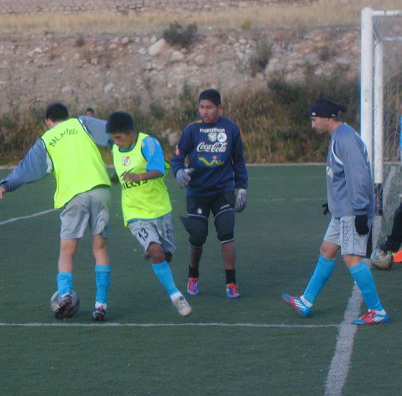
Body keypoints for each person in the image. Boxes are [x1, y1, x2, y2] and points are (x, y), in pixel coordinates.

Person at [0, 102, 112, 321]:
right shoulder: (83, 123)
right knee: (100, 249)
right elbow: (115, 131)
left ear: (48, 122)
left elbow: (26, 170)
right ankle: (100, 305)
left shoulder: (47, 139)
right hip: (101, 190)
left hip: (73, 196)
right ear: (67, 116)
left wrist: (5, 185)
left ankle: (65, 294)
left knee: (67, 252)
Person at [282, 98, 388, 325]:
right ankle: (306, 301)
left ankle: (377, 310)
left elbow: (358, 177)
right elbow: (341, 176)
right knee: (327, 249)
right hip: (342, 209)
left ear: (327, 118)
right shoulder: (338, 137)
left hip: (352, 210)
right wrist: (332, 203)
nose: (312, 125)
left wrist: (360, 212)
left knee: (352, 259)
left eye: (314, 120)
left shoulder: (346, 139)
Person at [105, 111, 192, 317]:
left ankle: (153, 248)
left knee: (166, 255)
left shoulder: (148, 144)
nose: (116, 142)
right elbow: (120, 174)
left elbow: (159, 170)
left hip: (160, 208)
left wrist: (139, 176)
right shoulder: (116, 148)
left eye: (119, 137)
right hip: (134, 212)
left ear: (130, 133)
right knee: (156, 252)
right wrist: (112, 181)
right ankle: (176, 297)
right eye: (113, 138)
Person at [170, 89, 248, 298]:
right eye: (201, 107)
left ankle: (231, 283)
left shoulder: (231, 129)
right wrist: (178, 172)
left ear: (219, 108)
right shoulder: (192, 130)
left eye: (209, 107)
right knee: (197, 236)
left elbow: (238, 160)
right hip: (197, 192)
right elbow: (177, 158)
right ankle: (192, 277)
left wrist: (242, 187)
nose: (204, 111)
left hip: (223, 190)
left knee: (226, 234)